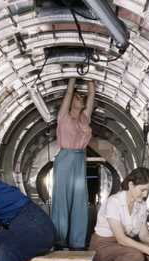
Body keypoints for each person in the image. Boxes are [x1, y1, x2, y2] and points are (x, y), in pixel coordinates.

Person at [52, 77, 95, 249]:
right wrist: (72, 78)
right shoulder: (63, 116)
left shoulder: (85, 118)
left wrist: (91, 78)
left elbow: (91, 94)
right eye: (77, 97)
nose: (81, 98)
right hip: (65, 158)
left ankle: (77, 242)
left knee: (80, 201)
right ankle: (59, 240)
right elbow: (69, 92)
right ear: (70, 101)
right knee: (61, 200)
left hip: (79, 159)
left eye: (82, 98)